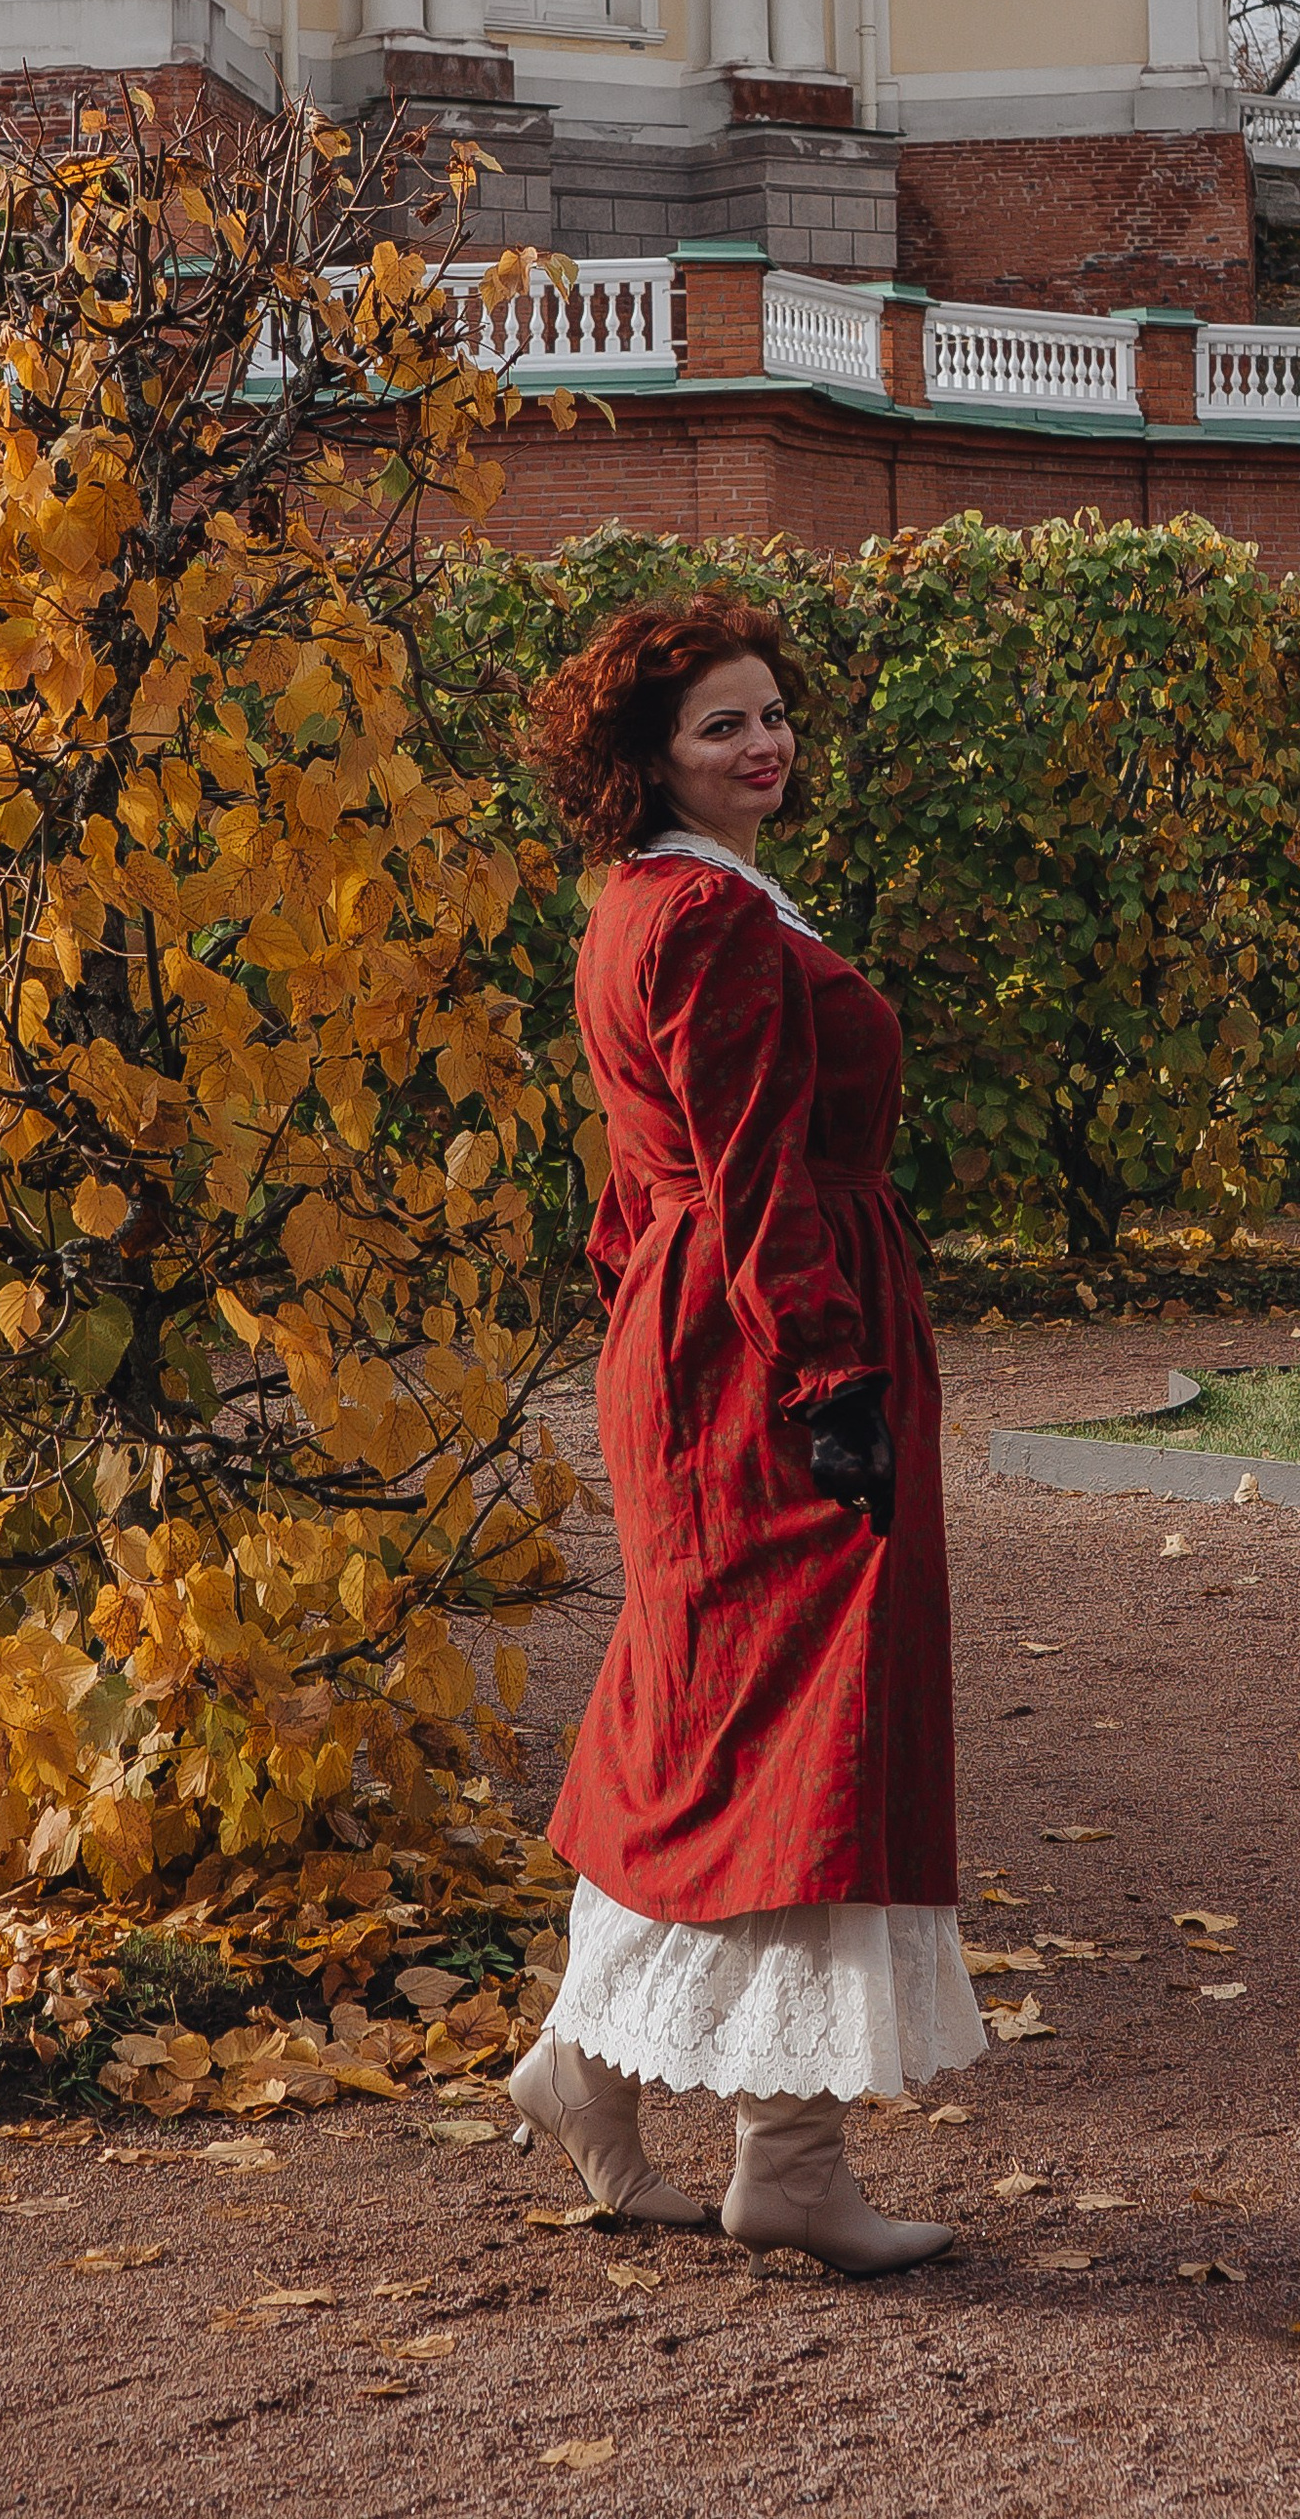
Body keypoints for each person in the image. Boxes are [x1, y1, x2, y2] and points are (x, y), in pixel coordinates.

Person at [504, 592, 980, 2274]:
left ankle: (597, 2074)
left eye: (771, 714)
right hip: (770, 1347)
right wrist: (826, 1375)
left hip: (707, 1335)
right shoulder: (703, 918)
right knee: (804, 1727)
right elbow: (757, 1165)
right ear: (648, 759)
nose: (762, 743)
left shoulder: (651, 903)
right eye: (722, 725)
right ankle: (783, 2161)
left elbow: (650, 1178)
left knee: (714, 1718)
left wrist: (660, 1302)